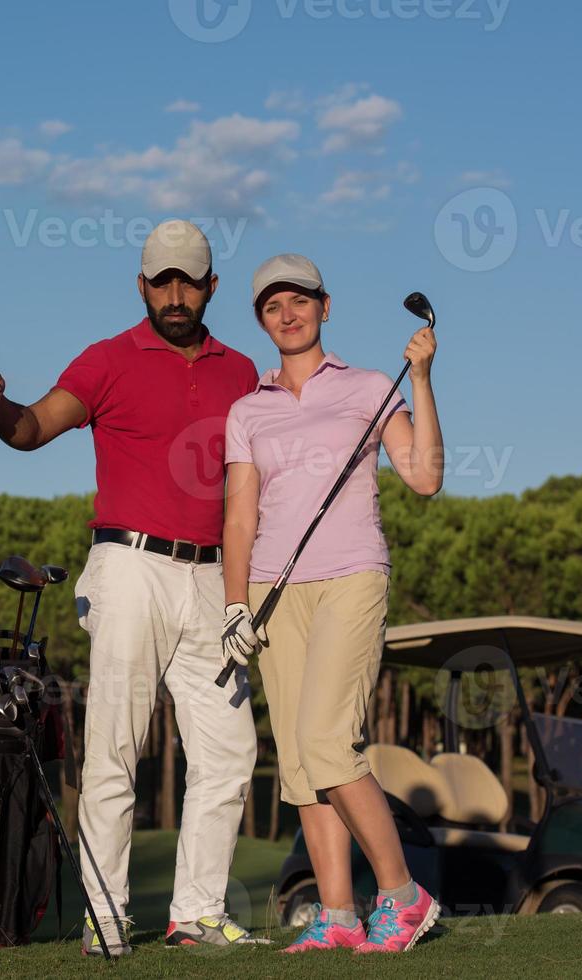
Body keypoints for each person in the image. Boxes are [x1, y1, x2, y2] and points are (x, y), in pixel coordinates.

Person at [0, 220, 261, 956]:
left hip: (213, 578)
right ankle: (105, 916)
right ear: (141, 285)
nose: (173, 292)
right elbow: (32, 428)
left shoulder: (242, 372)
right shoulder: (106, 359)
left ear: (210, 286)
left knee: (229, 752)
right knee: (113, 749)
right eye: (160, 279)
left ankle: (196, 913)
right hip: (129, 568)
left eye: (187, 279)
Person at [220, 254, 444, 954]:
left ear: (324, 307)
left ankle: (403, 898)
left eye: (299, 301)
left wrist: (420, 379)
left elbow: (424, 477)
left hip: (350, 576)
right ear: (260, 319)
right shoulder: (246, 409)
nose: (286, 315)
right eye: (270, 306)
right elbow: (237, 516)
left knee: (326, 741)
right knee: (298, 763)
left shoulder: (372, 387)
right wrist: (233, 606)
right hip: (270, 593)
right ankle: (339, 916)